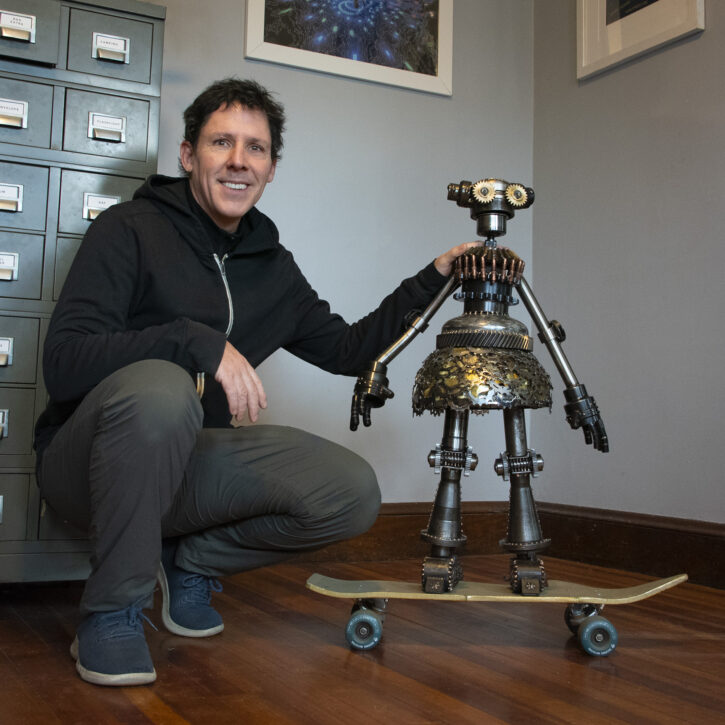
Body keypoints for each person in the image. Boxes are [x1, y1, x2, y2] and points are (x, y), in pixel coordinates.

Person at [34, 77, 475, 687]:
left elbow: (350, 350)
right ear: (189, 155)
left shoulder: (272, 265)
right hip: (86, 469)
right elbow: (63, 363)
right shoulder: (128, 229)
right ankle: (113, 612)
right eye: (221, 142)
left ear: (271, 168)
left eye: (257, 148)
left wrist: (435, 276)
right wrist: (193, 340)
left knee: (350, 490)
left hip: (184, 468)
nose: (239, 161)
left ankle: (188, 564)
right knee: (161, 386)